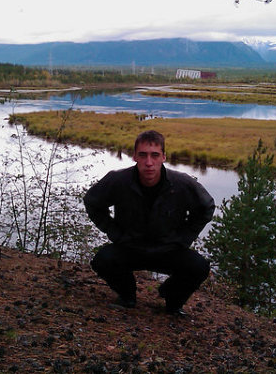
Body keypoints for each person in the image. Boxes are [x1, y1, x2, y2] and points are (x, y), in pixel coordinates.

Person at [84, 130, 215, 315]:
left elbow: (206, 207)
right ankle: (127, 296)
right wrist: (115, 233)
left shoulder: (182, 184)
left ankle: (172, 301)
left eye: (155, 155)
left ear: (163, 157)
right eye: (143, 155)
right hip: (130, 247)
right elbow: (92, 202)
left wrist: (183, 239)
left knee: (198, 267)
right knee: (103, 260)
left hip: (169, 250)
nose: (149, 162)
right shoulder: (118, 181)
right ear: (134, 157)